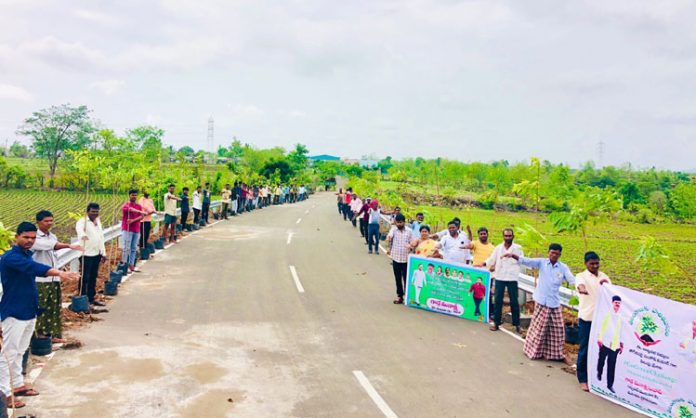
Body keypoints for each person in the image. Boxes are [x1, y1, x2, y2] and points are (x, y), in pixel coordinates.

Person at [0, 222, 79, 409]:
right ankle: (5, 394)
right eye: (26, 237)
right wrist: (59, 273)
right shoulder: (10, 257)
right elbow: (34, 268)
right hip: (13, 313)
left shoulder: (26, 254)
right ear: (16, 237)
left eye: (33, 238)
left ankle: (18, 385)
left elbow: (33, 267)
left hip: (29, 311)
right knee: (8, 355)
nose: (29, 241)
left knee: (20, 351)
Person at [504, 243, 575, 361]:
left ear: (560, 255)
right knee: (538, 329)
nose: (554, 255)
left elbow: (572, 279)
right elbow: (527, 261)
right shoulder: (542, 262)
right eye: (552, 252)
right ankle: (533, 351)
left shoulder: (563, 267)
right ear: (548, 252)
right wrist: (513, 255)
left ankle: (555, 354)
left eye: (557, 253)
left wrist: (580, 286)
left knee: (557, 329)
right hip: (541, 301)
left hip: (554, 302)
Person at [32, 210, 82, 341]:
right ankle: (39, 334)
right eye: (46, 221)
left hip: (54, 278)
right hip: (40, 279)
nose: (49, 223)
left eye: (51, 220)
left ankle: (53, 334)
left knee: (53, 307)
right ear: (38, 222)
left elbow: (54, 251)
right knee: (41, 307)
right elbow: (51, 246)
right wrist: (69, 245)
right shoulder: (34, 238)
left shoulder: (52, 236)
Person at [575, 251, 611, 392]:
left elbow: (610, 290)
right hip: (587, 318)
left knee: (600, 349)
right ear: (586, 264)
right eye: (592, 263)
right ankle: (582, 378)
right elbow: (580, 285)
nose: (595, 266)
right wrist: (582, 289)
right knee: (584, 349)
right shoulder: (581, 276)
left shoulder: (604, 276)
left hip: (602, 319)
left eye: (597, 263)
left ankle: (595, 377)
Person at [485, 228, 524, 333]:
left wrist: (513, 256)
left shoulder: (518, 248)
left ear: (513, 236)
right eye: (506, 236)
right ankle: (496, 323)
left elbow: (522, 260)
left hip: (512, 277)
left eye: (509, 236)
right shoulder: (498, 248)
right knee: (497, 300)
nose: (507, 238)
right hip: (500, 277)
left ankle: (517, 325)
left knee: (514, 302)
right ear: (503, 236)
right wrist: (484, 264)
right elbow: (492, 259)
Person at [76, 203, 107, 307]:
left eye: (97, 211)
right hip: (86, 254)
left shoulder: (97, 221)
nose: (95, 213)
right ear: (88, 211)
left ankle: (91, 298)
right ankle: (82, 298)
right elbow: (79, 230)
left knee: (93, 277)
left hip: (96, 253)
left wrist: (103, 252)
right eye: (93, 211)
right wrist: (83, 235)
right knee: (85, 277)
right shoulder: (82, 222)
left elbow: (101, 237)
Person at [597, 295, 624, 394]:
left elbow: (622, 331)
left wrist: (621, 344)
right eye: (616, 302)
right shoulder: (607, 313)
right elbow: (601, 325)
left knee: (612, 365)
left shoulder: (621, 316)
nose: (617, 304)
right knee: (601, 360)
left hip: (615, 344)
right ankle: (599, 373)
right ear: (612, 302)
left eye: (619, 303)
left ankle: (610, 385)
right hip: (605, 342)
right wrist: (599, 338)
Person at [386, 214, 413, 304]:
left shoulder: (409, 231)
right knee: (397, 278)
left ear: (404, 222)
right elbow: (389, 235)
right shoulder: (394, 229)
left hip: (406, 259)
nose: (399, 224)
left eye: (401, 222)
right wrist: (389, 238)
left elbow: (413, 242)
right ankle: (399, 296)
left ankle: (407, 296)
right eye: (397, 222)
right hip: (396, 258)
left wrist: (411, 246)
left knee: (406, 278)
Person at [121, 189, 146, 272]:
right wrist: (139, 212)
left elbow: (142, 216)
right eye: (132, 195)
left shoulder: (139, 205)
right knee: (126, 248)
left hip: (136, 229)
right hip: (127, 229)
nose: (134, 197)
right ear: (129, 195)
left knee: (133, 248)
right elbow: (130, 209)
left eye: (135, 195)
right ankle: (124, 265)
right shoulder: (126, 205)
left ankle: (131, 265)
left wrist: (133, 220)